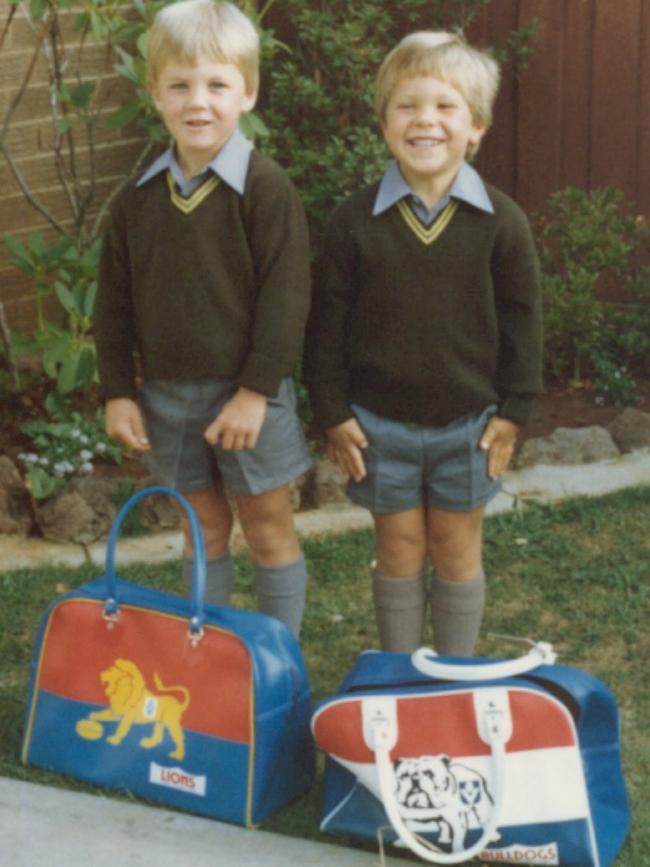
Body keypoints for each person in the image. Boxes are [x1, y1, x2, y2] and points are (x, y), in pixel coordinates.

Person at [304, 31, 543, 655]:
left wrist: (514, 412)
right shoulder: (353, 222)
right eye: (407, 105)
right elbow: (325, 323)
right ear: (384, 124)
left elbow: (523, 320)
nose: (425, 120)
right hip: (380, 426)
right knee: (400, 547)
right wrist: (331, 410)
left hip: (468, 427)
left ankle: (453, 677)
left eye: (446, 106)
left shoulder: (502, 221)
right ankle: (403, 675)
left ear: (477, 128)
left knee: (456, 548)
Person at [94, 0, 312, 637]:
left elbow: (287, 296)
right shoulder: (137, 201)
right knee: (204, 529)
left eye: (217, 85)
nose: (199, 102)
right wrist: (116, 392)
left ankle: (279, 660)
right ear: (155, 92)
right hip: (168, 397)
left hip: (250, 399)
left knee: (268, 529)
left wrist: (253, 392)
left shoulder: (266, 189)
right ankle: (208, 650)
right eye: (180, 85)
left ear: (247, 92)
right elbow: (112, 305)